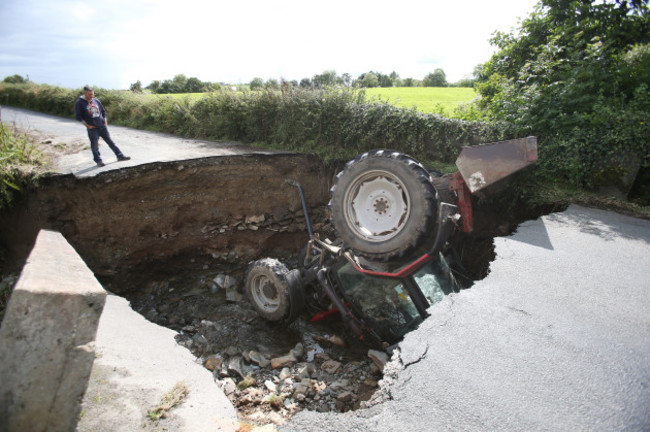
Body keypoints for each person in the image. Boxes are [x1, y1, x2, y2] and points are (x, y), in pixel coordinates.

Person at [74, 85, 131, 167]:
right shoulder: (79, 103)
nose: (91, 96)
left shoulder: (96, 100)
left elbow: (103, 112)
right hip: (92, 128)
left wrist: (105, 121)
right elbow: (78, 117)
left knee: (110, 142)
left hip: (102, 126)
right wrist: (87, 125)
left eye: (92, 94)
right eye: (89, 95)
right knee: (95, 145)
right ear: (84, 93)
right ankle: (98, 161)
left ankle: (120, 156)